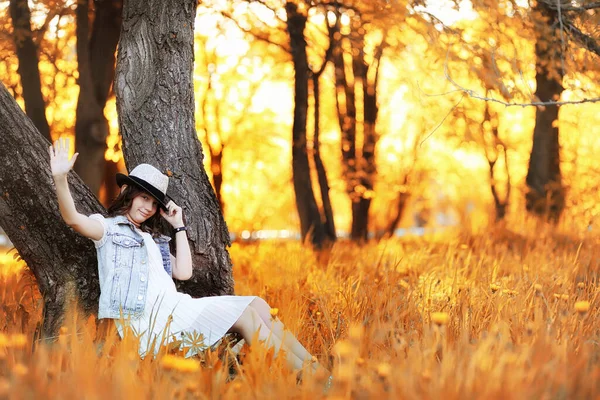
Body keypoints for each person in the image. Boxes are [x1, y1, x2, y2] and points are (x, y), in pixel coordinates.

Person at [49, 137, 327, 378]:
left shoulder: (152, 240)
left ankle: (317, 372)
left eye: (154, 203)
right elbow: (73, 219)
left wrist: (178, 225)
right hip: (149, 323)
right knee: (247, 318)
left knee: (259, 305)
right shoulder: (108, 229)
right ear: (128, 194)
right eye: (144, 198)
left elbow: (183, 273)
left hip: (177, 308)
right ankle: (313, 380)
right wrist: (60, 178)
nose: (148, 207)